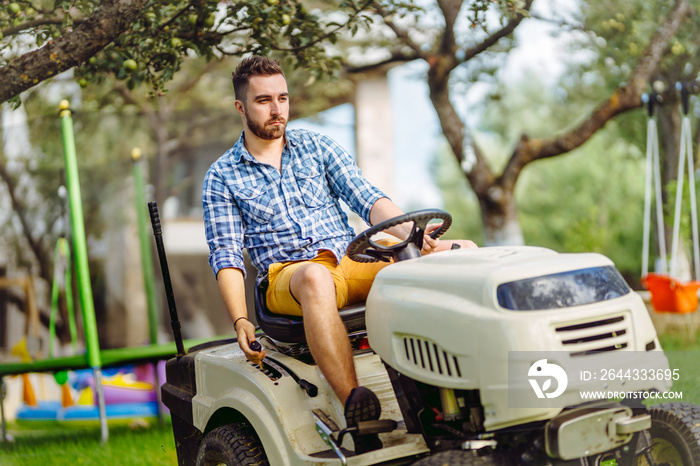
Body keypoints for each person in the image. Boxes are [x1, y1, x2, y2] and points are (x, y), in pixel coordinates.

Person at [203, 55, 477, 453]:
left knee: (458, 254)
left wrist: (414, 236)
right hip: (288, 276)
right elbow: (226, 254)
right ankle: (356, 406)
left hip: (350, 261)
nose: (277, 108)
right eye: (264, 100)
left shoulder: (316, 145)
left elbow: (367, 200)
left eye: (282, 97)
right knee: (315, 278)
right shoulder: (222, 175)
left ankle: (462, 390)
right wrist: (240, 319)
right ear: (240, 108)